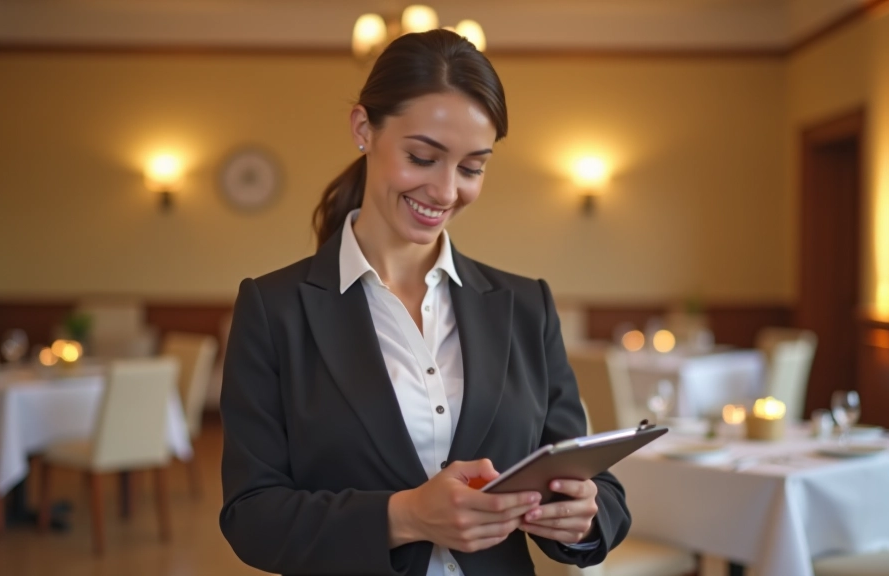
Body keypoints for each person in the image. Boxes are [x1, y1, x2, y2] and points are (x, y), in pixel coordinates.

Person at [219, 29, 631, 576]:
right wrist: (406, 516)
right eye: (422, 157)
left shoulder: (526, 306)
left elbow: (596, 486)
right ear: (363, 129)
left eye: (472, 167)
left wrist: (583, 517)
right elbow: (252, 516)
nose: (445, 191)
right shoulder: (273, 310)